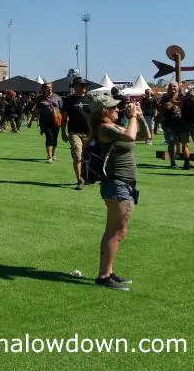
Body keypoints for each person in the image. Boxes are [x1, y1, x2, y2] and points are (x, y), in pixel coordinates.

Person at [89, 91, 140, 291]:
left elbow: (144, 135)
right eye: (113, 107)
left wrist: (139, 117)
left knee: (119, 231)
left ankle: (108, 271)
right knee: (115, 231)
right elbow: (130, 135)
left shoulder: (111, 126)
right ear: (103, 111)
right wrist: (133, 117)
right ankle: (103, 276)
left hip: (122, 183)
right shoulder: (105, 127)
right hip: (117, 183)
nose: (117, 109)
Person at [61, 77, 92, 190]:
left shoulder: (91, 99)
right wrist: (63, 132)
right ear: (75, 87)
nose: (84, 87)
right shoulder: (68, 100)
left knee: (88, 157)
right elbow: (64, 118)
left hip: (90, 133)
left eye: (85, 85)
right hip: (74, 132)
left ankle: (88, 177)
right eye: (81, 85)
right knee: (77, 155)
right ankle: (80, 180)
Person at [28, 83, 62, 163]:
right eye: (47, 88)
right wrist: (31, 121)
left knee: (55, 139)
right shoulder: (40, 98)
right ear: (44, 89)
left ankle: (53, 154)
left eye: (50, 87)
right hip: (45, 122)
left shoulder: (57, 97)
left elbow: (62, 109)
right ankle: (49, 157)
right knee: (49, 137)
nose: (49, 89)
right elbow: (36, 110)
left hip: (56, 121)